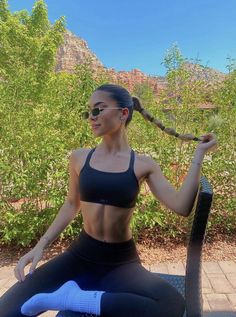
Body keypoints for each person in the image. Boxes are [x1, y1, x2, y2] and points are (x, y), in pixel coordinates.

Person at [0, 83, 217, 317]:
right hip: (80, 255)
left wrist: (199, 156)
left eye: (98, 110)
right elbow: (71, 204)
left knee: (171, 303)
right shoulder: (79, 158)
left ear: (123, 113)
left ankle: (78, 299)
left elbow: (181, 205)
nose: (91, 117)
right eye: (89, 111)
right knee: (7, 309)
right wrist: (39, 246)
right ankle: (78, 297)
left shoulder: (143, 164)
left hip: (120, 263)